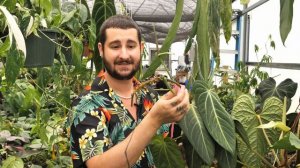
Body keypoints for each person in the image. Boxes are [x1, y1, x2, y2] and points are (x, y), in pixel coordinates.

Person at [68, 15, 190, 168]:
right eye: (115, 46)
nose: (124, 55)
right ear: (101, 49)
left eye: (131, 46)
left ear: (141, 48)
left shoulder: (150, 96)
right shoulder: (86, 105)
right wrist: (154, 119)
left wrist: (179, 107)